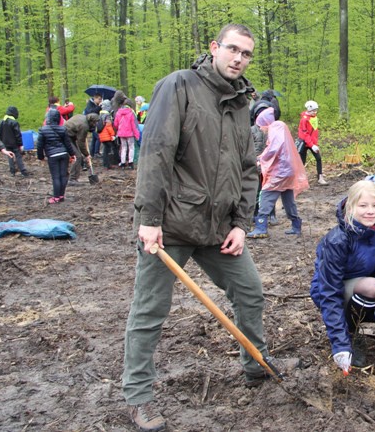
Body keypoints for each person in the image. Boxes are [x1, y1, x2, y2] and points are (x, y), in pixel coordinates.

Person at [122, 23, 300, 432]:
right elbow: (156, 152)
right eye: (233, 50)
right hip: (169, 225)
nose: (239, 59)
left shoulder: (242, 104)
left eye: (247, 54)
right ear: (214, 47)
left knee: (250, 291)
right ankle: (139, 397)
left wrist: (241, 223)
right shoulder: (179, 86)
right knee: (150, 310)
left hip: (218, 227)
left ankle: (256, 364)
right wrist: (148, 219)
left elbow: (246, 169)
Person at [310, 180, 375, 374]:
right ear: (350, 207)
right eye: (363, 205)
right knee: (371, 286)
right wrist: (339, 345)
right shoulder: (337, 240)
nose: (370, 211)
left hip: (362, 290)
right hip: (330, 293)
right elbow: (328, 292)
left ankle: (351, 326)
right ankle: (348, 336)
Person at [247, 108, 309, 239]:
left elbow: (274, 148)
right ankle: (296, 225)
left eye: (261, 125)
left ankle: (260, 227)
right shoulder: (281, 127)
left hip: (280, 172)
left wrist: (261, 159)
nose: (261, 128)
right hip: (288, 169)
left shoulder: (275, 128)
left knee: (266, 194)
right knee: (288, 198)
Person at [36, 109, 76, 204]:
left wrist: (40, 157)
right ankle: (61, 195)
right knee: (63, 175)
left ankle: (56, 197)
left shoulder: (43, 130)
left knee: (56, 177)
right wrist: (72, 154)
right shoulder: (62, 129)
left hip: (52, 155)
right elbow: (68, 143)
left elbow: (39, 145)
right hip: (63, 154)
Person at [64, 113, 100, 186]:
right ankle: (72, 179)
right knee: (78, 157)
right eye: (95, 122)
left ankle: (70, 177)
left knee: (77, 156)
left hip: (69, 136)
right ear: (91, 121)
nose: (95, 124)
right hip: (66, 137)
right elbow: (81, 142)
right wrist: (86, 154)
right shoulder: (84, 126)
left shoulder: (83, 117)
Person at [298, 100, 328, 185]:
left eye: (316, 110)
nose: (315, 112)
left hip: (312, 143)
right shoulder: (304, 120)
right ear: (309, 110)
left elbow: (314, 132)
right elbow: (305, 134)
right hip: (305, 143)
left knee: (318, 158)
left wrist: (315, 143)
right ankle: (300, 179)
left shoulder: (314, 118)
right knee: (302, 161)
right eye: (313, 110)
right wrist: (311, 145)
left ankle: (320, 177)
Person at [0, 106, 29, 177]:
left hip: (6, 143)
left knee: (10, 156)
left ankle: (12, 172)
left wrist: (1, 143)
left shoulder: (2, 121)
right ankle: (23, 172)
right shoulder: (14, 123)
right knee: (18, 157)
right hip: (14, 144)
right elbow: (18, 135)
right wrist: (20, 144)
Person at [114, 98, 140, 169]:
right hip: (130, 133)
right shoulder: (130, 113)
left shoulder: (118, 113)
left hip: (121, 133)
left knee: (123, 147)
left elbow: (115, 124)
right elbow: (133, 125)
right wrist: (137, 135)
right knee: (131, 147)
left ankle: (122, 163)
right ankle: (130, 163)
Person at [97, 100, 118, 169]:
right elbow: (108, 126)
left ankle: (105, 163)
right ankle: (109, 164)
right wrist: (112, 134)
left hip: (101, 135)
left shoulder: (100, 114)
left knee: (105, 150)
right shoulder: (107, 115)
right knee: (109, 149)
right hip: (107, 135)